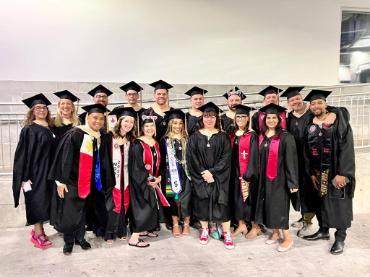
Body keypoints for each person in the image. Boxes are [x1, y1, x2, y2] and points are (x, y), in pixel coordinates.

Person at [49, 104, 108, 255]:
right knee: (70, 211)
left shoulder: (99, 136)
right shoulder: (76, 133)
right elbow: (64, 158)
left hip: (89, 181)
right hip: (72, 180)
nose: (98, 121)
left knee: (83, 211)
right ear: (87, 118)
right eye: (95, 118)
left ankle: (80, 238)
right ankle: (69, 241)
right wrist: (60, 181)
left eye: (101, 118)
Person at [302, 90, 355, 255]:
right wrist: (311, 171)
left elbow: (347, 148)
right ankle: (323, 230)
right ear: (310, 106)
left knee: (340, 203)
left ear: (325, 103)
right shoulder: (310, 124)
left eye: (319, 102)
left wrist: (343, 173)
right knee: (321, 202)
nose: (316, 106)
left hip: (336, 171)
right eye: (313, 103)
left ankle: (340, 237)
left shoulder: (338, 121)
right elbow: (306, 151)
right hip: (319, 172)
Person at [187, 102, 234, 250]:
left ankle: (226, 233)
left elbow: (226, 158)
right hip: (201, 177)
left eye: (212, 116)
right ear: (202, 118)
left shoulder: (223, 136)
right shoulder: (194, 137)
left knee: (222, 204)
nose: (209, 119)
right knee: (202, 203)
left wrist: (212, 172)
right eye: (206, 116)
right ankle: (205, 230)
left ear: (216, 118)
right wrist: (203, 173)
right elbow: (191, 158)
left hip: (219, 177)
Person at [254, 103, 299, 252]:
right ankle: (275, 232)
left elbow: (291, 161)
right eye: (269, 117)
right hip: (264, 179)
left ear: (279, 120)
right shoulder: (262, 136)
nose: (271, 120)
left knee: (279, 207)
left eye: (274, 117)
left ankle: (287, 238)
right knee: (268, 206)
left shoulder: (286, 137)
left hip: (280, 180)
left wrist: (293, 182)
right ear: (264, 119)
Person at [13, 93, 54, 249]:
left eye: (44, 107)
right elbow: (22, 154)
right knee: (36, 202)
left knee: (45, 202)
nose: (42, 109)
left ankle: (41, 230)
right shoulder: (29, 129)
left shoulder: (50, 128)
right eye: (38, 107)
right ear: (32, 110)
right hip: (35, 173)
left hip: (49, 172)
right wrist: (24, 177)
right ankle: (37, 234)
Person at [280, 86, 318, 237]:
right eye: (291, 100)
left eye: (297, 98)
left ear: (302, 99)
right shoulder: (289, 118)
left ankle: (308, 222)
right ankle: (304, 217)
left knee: (310, 191)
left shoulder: (311, 115)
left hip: (310, 159)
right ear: (288, 103)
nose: (295, 101)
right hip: (295, 160)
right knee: (300, 191)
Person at [128, 117, 169, 247]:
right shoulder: (137, 143)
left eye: (152, 126)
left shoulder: (155, 143)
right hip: (140, 181)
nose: (149, 128)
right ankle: (134, 238)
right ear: (142, 128)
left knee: (151, 206)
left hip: (153, 180)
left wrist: (159, 177)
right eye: (147, 126)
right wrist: (147, 179)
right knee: (142, 207)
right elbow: (136, 165)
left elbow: (161, 162)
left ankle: (145, 230)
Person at [100, 107, 138, 244]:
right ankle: (109, 232)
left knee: (125, 203)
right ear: (120, 121)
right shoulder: (108, 137)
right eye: (126, 121)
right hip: (112, 177)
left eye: (131, 122)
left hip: (127, 177)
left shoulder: (131, 139)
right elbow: (103, 159)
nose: (128, 124)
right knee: (113, 204)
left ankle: (122, 229)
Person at [229, 104, 260, 239]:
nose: (240, 118)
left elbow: (254, 156)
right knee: (237, 199)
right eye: (238, 116)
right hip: (235, 173)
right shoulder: (232, 135)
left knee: (249, 200)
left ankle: (255, 226)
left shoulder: (252, 135)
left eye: (243, 116)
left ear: (248, 118)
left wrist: (248, 174)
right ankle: (241, 224)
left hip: (248, 174)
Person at [160, 109, 191, 237]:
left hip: (187, 174)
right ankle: (176, 224)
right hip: (170, 175)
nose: (177, 126)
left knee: (187, 200)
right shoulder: (165, 141)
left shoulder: (188, 139)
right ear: (170, 124)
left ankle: (187, 223)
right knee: (173, 199)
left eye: (180, 123)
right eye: (174, 123)